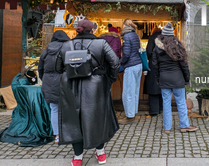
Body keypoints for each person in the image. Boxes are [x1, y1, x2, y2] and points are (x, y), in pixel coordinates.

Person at [56, 20, 120, 166]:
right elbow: (115, 62)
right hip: (96, 85)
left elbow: (58, 67)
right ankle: (100, 153)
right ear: (92, 30)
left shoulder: (66, 45)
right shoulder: (101, 43)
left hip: (70, 85)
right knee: (98, 117)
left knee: (73, 119)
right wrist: (109, 78)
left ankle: (78, 157)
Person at [152, 22, 197, 133]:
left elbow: (154, 66)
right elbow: (184, 65)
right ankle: (184, 126)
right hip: (177, 79)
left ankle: (167, 128)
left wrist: (158, 79)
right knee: (181, 102)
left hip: (164, 79)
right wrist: (187, 79)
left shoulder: (157, 48)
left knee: (166, 104)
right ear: (172, 35)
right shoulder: (177, 47)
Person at [38, 30, 70, 144]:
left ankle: (57, 135)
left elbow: (40, 70)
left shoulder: (45, 52)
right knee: (68, 108)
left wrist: (46, 80)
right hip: (63, 82)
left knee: (54, 109)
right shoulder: (66, 50)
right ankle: (68, 133)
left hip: (48, 82)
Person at [119, 18, 143, 124]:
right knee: (134, 91)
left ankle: (129, 117)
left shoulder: (127, 36)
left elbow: (127, 54)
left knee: (128, 92)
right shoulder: (135, 35)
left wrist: (120, 62)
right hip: (138, 64)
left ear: (124, 26)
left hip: (131, 66)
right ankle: (133, 113)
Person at [145, 27, 163, 116]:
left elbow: (148, 51)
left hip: (153, 65)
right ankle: (161, 108)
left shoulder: (152, 38)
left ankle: (154, 110)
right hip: (163, 66)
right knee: (162, 88)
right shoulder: (165, 38)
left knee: (153, 87)